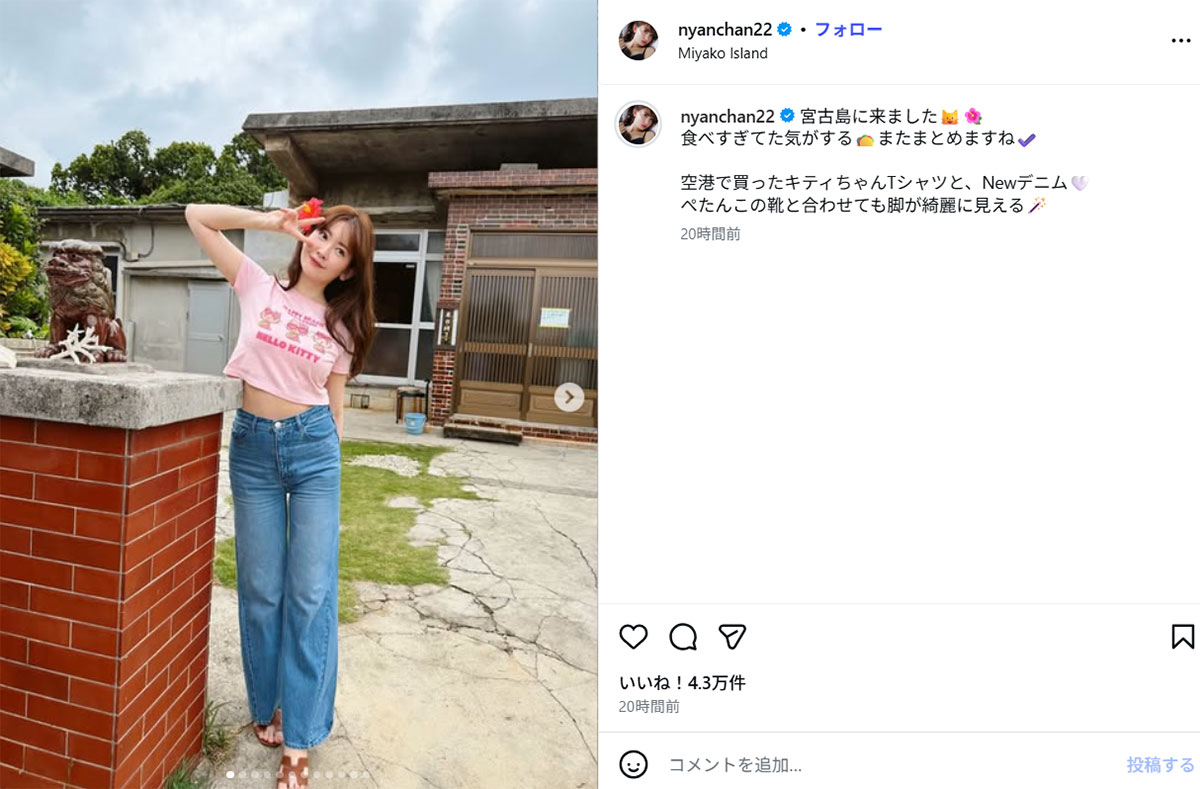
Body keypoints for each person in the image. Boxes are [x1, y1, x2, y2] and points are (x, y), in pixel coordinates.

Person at [185, 202, 376, 789]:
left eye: (340, 250)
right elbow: (197, 216)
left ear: (348, 269)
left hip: (313, 449)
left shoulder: (342, 326)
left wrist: (333, 455)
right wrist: (273, 222)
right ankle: (268, 702)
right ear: (307, 233)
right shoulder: (257, 286)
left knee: (310, 594)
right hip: (252, 449)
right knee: (262, 588)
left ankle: (301, 737)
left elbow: (336, 406)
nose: (324, 250)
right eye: (323, 235)